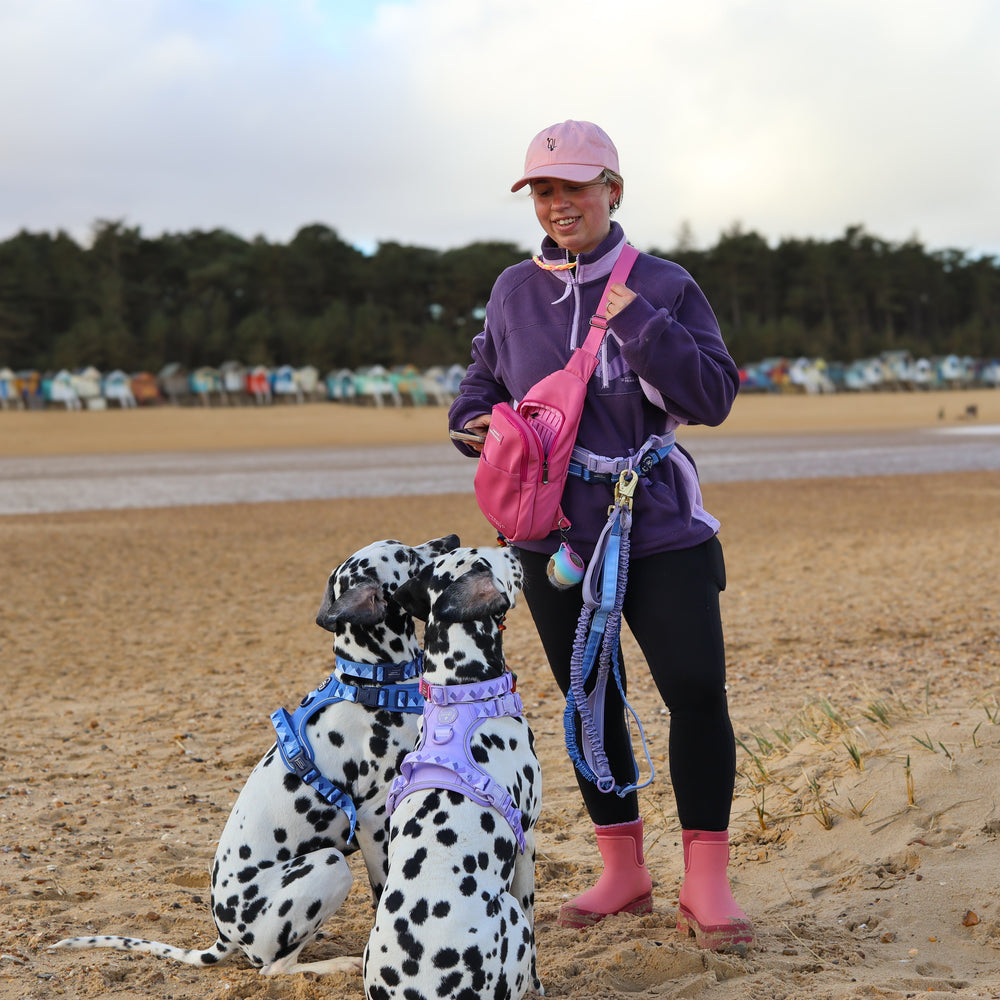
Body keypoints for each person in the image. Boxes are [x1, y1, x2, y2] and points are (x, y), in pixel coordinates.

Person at [447, 120, 752, 950]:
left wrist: (641, 322)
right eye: (544, 190)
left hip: (657, 526)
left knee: (695, 694)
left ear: (614, 189)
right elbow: (483, 373)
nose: (559, 204)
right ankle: (623, 873)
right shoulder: (513, 288)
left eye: (575, 187)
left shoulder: (665, 281)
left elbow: (716, 395)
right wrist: (473, 421)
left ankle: (707, 884)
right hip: (549, 535)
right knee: (589, 697)